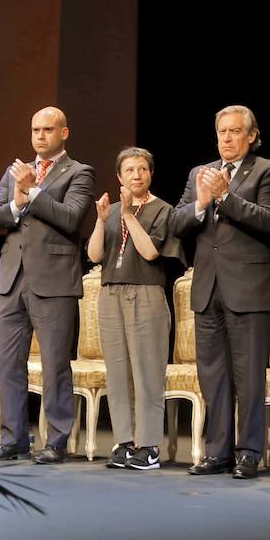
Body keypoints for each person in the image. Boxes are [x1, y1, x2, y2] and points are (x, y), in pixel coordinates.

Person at [174, 105, 270, 480]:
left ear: (252, 136)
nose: (226, 138)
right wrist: (202, 203)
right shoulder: (198, 174)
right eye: (221, 131)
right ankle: (217, 451)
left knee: (249, 375)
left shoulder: (268, 171)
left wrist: (226, 197)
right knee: (213, 374)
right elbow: (177, 223)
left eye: (235, 132)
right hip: (209, 288)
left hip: (250, 289)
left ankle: (249, 451)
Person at [0, 106, 94, 464]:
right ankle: (14, 438)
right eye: (35, 130)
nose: (40, 135)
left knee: (54, 364)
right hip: (11, 279)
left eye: (48, 129)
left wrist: (32, 192)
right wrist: (16, 200)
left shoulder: (79, 173)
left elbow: (72, 218)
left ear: (64, 133)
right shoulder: (14, 172)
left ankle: (57, 440)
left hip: (54, 280)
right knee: (7, 364)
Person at [87, 147, 183, 470]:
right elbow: (95, 255)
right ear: (119, 177)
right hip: (111, 294)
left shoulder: (162, 210)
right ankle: (125, 441)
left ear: (150, 174)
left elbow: (151, 252)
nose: (136, 175)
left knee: (146, 371)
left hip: (145, 293)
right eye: (129, 170)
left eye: (142, 169)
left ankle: (149, 445)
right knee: (117, 371)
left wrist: (129, 215)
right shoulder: (111, 210)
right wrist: (101, 221)